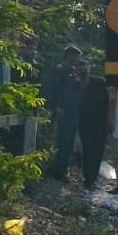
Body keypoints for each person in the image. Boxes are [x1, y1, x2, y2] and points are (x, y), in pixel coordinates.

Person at [44, 48, 84, 180]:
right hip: (64, 110)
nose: (78, 60)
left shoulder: (74, 71)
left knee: (69, 142)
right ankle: (59, 170)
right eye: (76, 57)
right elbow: (51, 89)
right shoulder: (59, 70)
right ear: (69, 56)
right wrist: (55, 106)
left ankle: (62, 168)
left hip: (73, 111)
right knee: (63, 141)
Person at [77, 71, 110, 192]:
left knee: (98, 152)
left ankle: (92, 178)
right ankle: (88, 178)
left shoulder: (99, 83)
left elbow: (108, 102)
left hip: (100, 123)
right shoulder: (75, 83)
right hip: (85, 123)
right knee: (87, 151)